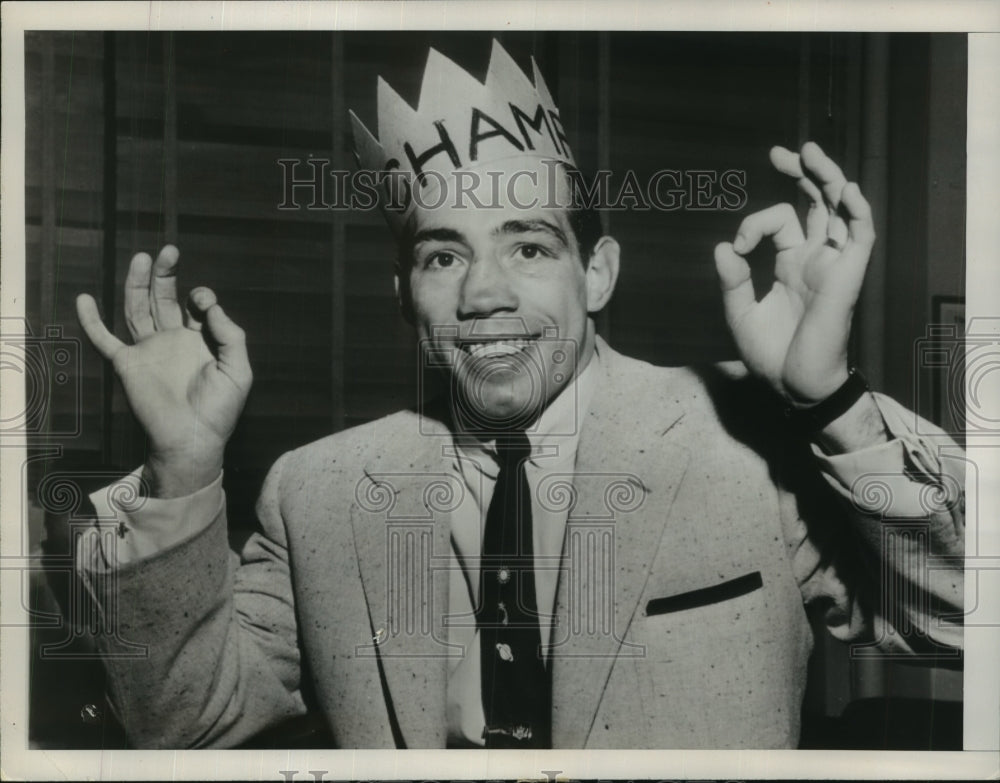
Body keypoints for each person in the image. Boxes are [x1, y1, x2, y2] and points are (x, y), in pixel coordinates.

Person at [74, 40, 964, 749]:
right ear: (404, 295)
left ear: (598, 272)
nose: (484, 294)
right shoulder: (317, 493)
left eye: (529, 247)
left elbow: (967, 623)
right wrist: (182, 466)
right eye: (443, 255)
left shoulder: (747, 442)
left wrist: (828, 400)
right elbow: (184, 725)